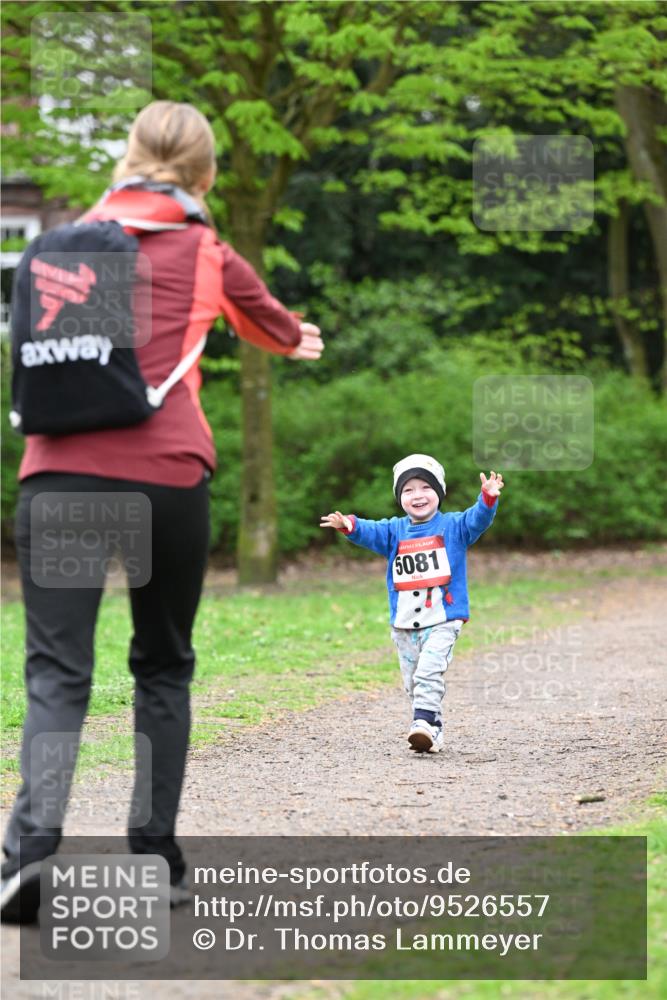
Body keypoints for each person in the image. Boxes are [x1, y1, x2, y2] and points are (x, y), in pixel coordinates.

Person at [1, 101, 323, 922]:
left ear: (126, 159)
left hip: (60, 478)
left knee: (57, 673)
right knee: (162, 665)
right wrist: (296, 339)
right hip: (166, 478)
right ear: (205, 174)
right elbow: (276, 331)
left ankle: (28, 852)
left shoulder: (62, 245)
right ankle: (157, 854)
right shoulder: (204, 249)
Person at [320, 454, 503, 753]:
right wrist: (348, 525)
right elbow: (370, 530)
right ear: (400, 497)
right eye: (408, 490)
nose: (418, 495)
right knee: (413, 683)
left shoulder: (454, 526)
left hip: (444, 618)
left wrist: (487, 499)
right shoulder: (394, 530)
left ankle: (420, 723)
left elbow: (477, 519)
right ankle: (434, 729)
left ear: (439, 493)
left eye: (425, 488)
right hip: (404, 623)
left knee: (428, 673)